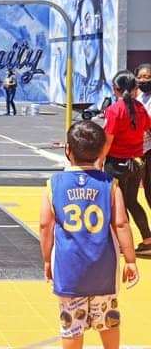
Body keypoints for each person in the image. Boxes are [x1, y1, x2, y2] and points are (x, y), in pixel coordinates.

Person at [40, 121, 138, 349]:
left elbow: (45, 226)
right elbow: (122, 223)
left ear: (68, 150)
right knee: (108, 322)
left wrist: (46, 260)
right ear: (103, 150)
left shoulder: (53, 185)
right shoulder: (110, 185)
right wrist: (131, 260)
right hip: (104, 268)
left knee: (72, 325)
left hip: (69, 270)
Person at [99, 71, 151, 255]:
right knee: (132, 201)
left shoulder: (114, 110)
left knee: (116, 204)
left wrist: (99, 162)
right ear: (134, 89)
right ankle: (147, 239)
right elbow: (148, 128)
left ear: (116, 89)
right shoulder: (140, 108)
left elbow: (108, 140)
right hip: (137, 162)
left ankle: (121, 243)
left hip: (116, 163)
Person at [136, 63, 151, 235]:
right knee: (148, 190)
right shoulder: (140, 98)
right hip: (144, 150)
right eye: (140, 77)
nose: (143, 80)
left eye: (147, 77)